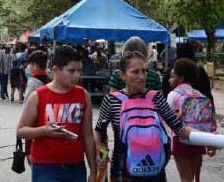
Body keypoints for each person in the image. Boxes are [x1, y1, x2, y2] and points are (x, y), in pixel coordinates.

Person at [94, 52, 191, 182]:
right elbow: (99, 131)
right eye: (135, 72)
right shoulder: (111, 100)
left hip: (155, 171)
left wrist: (211, 137)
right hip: (122, 170)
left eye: (144, 71)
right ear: (122, 75)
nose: (141, 76)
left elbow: (179, 128)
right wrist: (100, 152)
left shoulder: (156, 97)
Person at [17, 46, 97, 182]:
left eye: (79, 71)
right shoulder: (38, 96)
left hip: (76, 167)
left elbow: (88, 135)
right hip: (45, 167)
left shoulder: (83, 95)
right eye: (71, 71)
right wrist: (43, 131)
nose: (77, 75)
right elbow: (21, 131)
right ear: (55, 70)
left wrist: (93, 170)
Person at [166, 58, 215, 182]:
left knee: (185, 178)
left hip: (180, 139)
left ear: (181, 78)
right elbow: (210, 119)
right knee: (196, 178)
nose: (169, 79)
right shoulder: (200, 95)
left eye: (172, 76)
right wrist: (210, 142)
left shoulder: (173, 95)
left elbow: (166, 117)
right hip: (199, 140)